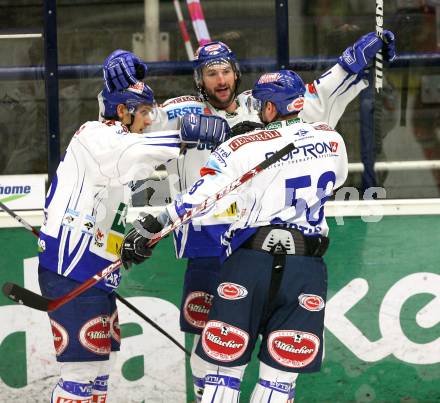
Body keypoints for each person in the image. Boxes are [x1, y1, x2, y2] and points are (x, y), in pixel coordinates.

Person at [103, 30, 395, 401]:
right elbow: (132, 126)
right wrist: (120, 88)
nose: (220, 80)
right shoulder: (179, 112)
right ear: (199, 79)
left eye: (225, 71)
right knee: (216, 352)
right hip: (208, 241)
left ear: (236, 73)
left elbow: (314, 97)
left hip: (247, 241)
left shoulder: (255, 103)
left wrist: (350, 62)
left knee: (227, 359)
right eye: (211, 73)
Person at [122, 69, 348, 402]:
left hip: (250, 263)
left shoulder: (241, 147)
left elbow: (200, 197)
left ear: (269, 108)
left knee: (223, 374)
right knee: (279, 381)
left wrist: (153, 227)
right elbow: (337, 180)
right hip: (306, 269)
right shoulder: (332, 140)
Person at [37, 81, 230, 403]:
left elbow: (125, 176)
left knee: (100, 369)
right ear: (122, 111)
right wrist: (184, 132)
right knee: (80, 376)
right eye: (143, 112)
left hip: (95, 271)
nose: (149, 120)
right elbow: (134, 151)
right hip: (71, 269)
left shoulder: (122, 144)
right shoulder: (95, 135)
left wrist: (125, 245)